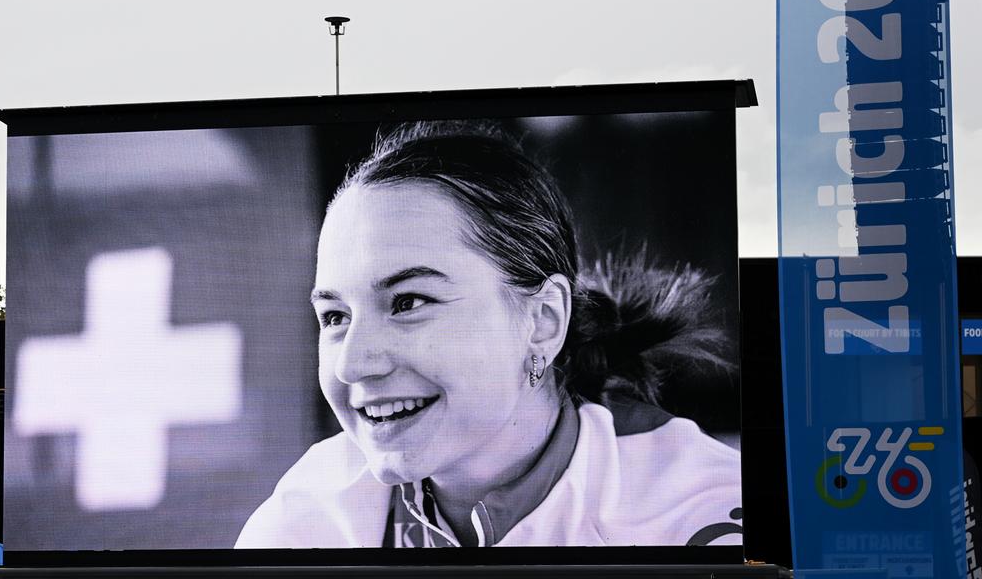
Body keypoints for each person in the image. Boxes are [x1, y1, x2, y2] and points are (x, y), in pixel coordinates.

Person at [236, 121, 741, 549]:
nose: (353, 364)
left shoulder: (699, 520)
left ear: (542, 321)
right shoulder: (306, 522)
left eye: (409, 302)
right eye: (335, 317)